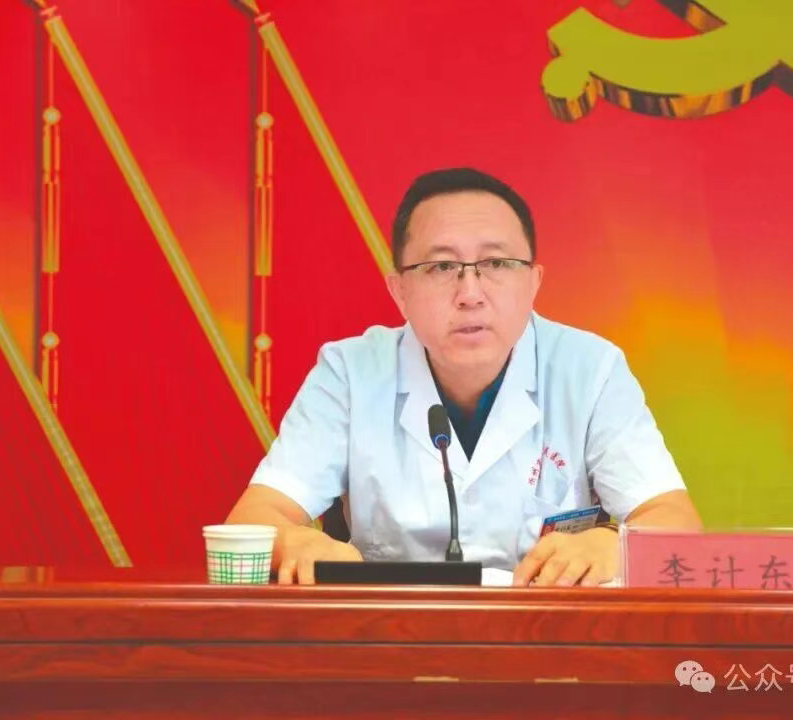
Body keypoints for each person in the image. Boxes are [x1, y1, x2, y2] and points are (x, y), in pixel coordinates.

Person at [225, 167, 702, 586]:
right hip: (392, 638)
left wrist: (614, 544)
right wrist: (293, 542)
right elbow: (254, 517)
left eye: (496, 264)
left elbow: (674, 521)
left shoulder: (590, 368)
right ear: (399, 291)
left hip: (548, 639)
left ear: (533, 281)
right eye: (441, 266)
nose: (470, 293)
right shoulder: (350, 372)